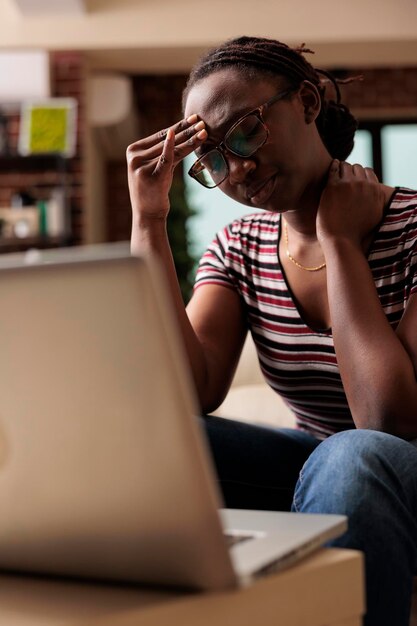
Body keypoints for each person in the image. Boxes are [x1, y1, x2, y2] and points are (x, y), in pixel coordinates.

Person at [126, 36, 417, 626]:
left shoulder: (413, 228)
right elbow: (189, 392)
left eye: (245, 131)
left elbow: (390, 422)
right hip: (319, 469)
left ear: (307, 103)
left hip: (391, 467)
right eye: (211, 159)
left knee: (354, 456)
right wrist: (149, 223)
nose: (237, 169)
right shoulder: (239, 247)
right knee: (146, 445)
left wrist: (339, 243)